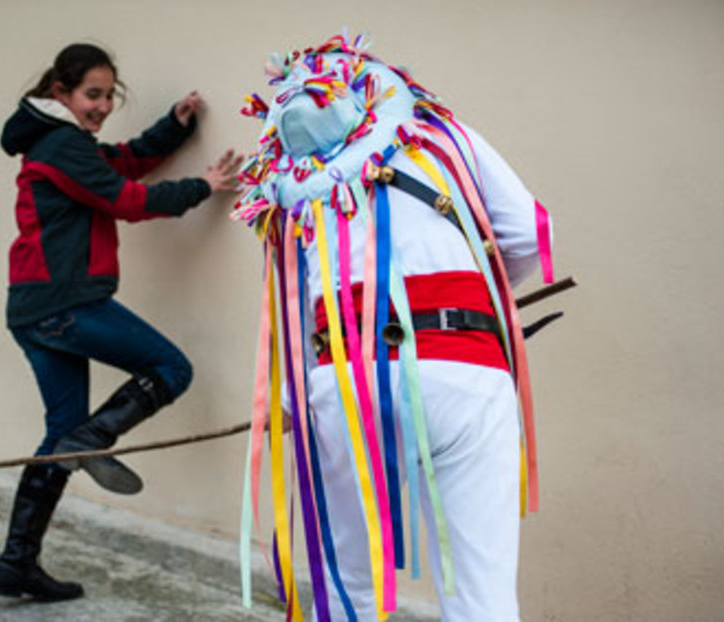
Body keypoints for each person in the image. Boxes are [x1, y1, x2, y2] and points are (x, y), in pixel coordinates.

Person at [234, 35, 554, 621]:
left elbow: (292, 310)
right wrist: (480, 296)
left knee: (348, 591)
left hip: (340, 379)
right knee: (479, 598)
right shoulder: (440, 136)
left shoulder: (289, 195)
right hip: (464, 367)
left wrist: (294, 402)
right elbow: (531, 234)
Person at [0, 42, 242, 602]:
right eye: (92, 94)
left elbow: (121, 162)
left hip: (33, 309)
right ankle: (93, 437)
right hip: (64, 305)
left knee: (59, 438)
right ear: (61, 91)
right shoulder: (60, 144)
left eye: (109, 95)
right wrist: (202, 187)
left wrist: (173, 128)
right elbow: (126, 199)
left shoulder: (61, 142)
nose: (103, 106)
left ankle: (16, 564)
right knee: (171, 368)